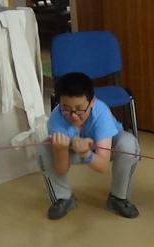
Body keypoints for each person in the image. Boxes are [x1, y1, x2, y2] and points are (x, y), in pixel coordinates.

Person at [39, 72, 142, 220]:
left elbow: (102, 166)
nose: (73, 115)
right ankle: (63, 198)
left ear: (92, 101)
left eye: (79, 108)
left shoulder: (101, 113)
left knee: (128, 143)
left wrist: (86, 154)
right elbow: (61, 170)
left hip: (105, 148)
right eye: (66, 108)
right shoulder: (56, 119)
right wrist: (61, 150)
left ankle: (118, 197)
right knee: (44, 148)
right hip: (73, 151)